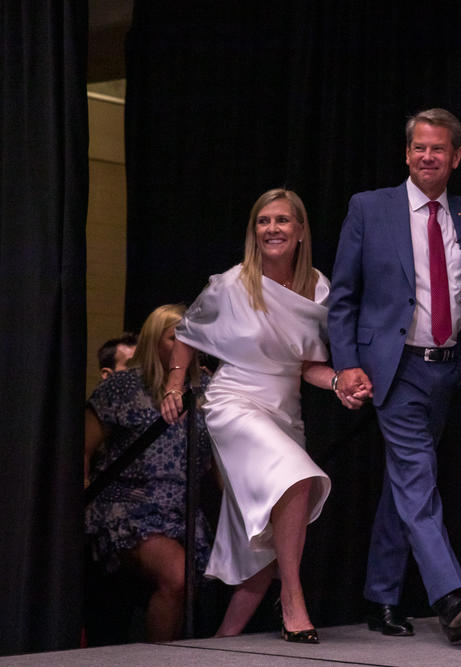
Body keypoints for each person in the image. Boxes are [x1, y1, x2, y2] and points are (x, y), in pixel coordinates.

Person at [327, 108, 461, 643]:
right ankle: (450, 596)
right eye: (419, 148)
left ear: (456, 157)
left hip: (448, 373)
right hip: (395, 369)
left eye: (438, 149)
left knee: (404, 486)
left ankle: (380, 597)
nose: (428, 156)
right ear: (406, 154)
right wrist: (346, 364)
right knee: (418, 479)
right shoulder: (369, 208)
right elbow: (342, 298)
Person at [161, 188, 341, 643]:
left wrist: (340, 382)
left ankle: (223, 644)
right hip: (234, 402)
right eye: (263, 221)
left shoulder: (321, 288)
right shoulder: (232, 282)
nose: (272, 229)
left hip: (286, 410)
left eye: (282, 221)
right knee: (298, 477)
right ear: (253, 231)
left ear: (300, 231)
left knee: (257, 543)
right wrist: (174, 384)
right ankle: (294, 602)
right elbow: (186, 332)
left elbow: (307, 366)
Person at [84, 304, 213, 642]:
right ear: (156, 341)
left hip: (182, 511)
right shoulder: (124, 387)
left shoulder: (208, 390)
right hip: (128, 505)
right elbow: (81, 448)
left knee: (188, 583)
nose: (189, 345)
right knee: (177, 574)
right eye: (177, 337)